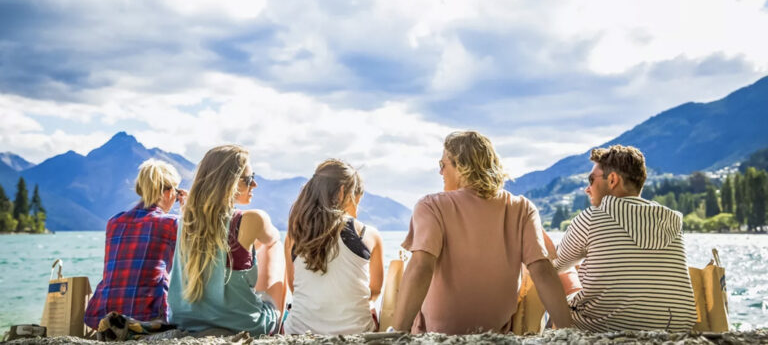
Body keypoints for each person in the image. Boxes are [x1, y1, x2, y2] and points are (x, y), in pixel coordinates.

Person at [393, 130, 572, 334]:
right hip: (496, 334)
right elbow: (542, 270)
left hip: (435, 334)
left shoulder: (431, 206)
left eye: (443, 165)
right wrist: (569, 332)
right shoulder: (522, 207)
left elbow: (420, 267)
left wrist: (397, 333)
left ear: (461, 165)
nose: (440, 172)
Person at [553, 145, 697, 332]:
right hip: (676, 327)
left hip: (607, 327)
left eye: (591, 180)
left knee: (558, 291)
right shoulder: (671, 220)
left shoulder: (593, 217)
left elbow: (553, 267)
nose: (587, 189)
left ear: (612, 180)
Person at [168, 145, 285, 336]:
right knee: (275, 245)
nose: (254, 185)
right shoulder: (252, 219)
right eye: (249, 179)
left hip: (185, 323)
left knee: (244, 251)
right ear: (229, 183)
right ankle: (278, 323)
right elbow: (271, 240)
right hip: (245, 325)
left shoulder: (185, 221)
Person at [283, 159, 384, 334]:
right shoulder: (369, 234)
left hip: (298, 333)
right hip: (356, 332)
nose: (358, 204)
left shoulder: (295, 234)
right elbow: (375, 290)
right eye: (357, 196)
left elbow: (293, 286)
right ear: (343, 192)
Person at [85, 159, 186, 328]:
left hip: (105, 316)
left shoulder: (114, 222)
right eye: (176, 195)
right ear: (168, 193)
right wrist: (188, 209)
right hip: (148, 316)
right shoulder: (171, 224)